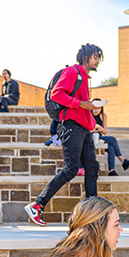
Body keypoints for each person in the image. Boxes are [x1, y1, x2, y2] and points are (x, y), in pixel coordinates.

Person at [25, 44, 103, 226]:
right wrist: (82, 104)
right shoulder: (72, 72)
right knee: (71, 169)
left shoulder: (84, 78)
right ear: (85, 57)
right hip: (71, 126)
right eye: (95, 56)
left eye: (99, 57)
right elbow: (56, 94)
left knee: (92, 168)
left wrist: (90, 107)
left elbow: (80, 104)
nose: (98, 59)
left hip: (84, 128)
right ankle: (37, 205)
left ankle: (93, 214)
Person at [92, 99, 129, 176]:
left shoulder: (103, 116)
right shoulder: (88, 115)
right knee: (113, 139)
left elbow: (105, 131)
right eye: (95, 108)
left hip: (100, 137)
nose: (96, 110)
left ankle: (112, 170)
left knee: (111, 147)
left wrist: (101, 129)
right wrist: (93, 129)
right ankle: (123, 161)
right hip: (91, 137)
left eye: (99, 108)